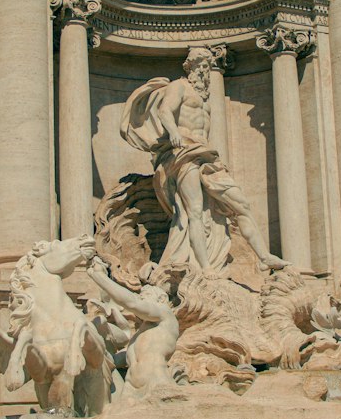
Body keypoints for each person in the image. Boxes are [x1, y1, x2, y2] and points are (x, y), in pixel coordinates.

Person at [121, 46, 288, 273]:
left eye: (207, 67)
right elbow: (164, 112)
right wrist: (174, 132)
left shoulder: (205, 100)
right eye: (200, 66)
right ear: (189, 67)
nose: (203, 71)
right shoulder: (179, 87)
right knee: (195, 212)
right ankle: (205, 267)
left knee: (241, 205)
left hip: (206, 157)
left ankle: (264, 256)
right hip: (183, 154)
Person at [87, 258, 179, 394]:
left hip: (157, 385)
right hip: (130, 390)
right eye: (140, 296)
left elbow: (132, 303)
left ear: (161, 299)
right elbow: (115, 360)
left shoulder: (166, 316)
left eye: (145, 296)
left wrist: (99, 276)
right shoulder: (140, 334)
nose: (141, 299)